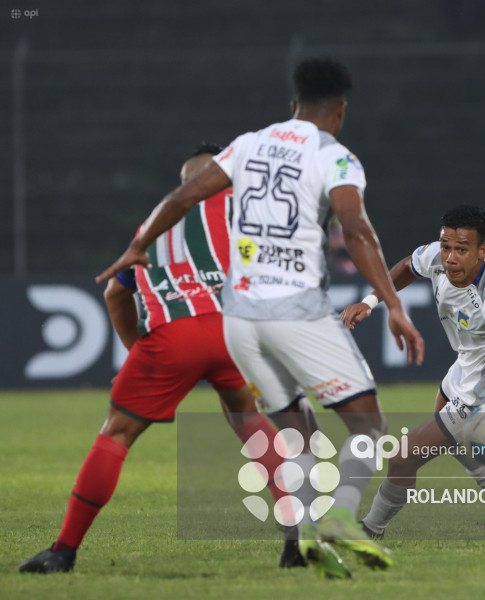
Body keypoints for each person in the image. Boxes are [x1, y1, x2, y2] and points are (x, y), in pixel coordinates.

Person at [94, 57, 425, 579]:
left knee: (297, 426)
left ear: (292, 105)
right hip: (297, 310)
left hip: (240, 321)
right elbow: (356, 230)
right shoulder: (335, 156)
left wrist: (138, 247)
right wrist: (395, 303)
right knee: (369, 424)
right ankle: (339, 516)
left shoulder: (248, 143)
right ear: (339, 112)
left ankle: (305, 535)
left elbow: (182, 197)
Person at [19, 145, 294, 574]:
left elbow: (115, 292)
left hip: (173, 335)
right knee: (248, 419)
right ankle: (297, 530)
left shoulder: (152, 225)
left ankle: (63, 551)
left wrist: (137, 349)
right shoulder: (249, 212)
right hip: (231, 331)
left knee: (117, 433)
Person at [340, 205, 485, 538]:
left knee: (403, 457)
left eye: (462, 250)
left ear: (482, 251)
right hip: (467, 366)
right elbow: (407, 265)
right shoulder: (439, 256)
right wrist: (372, 301)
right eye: (446, 246)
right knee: (453, 441)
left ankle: (370, 530)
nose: (450, 257)